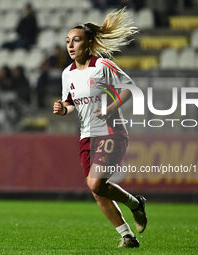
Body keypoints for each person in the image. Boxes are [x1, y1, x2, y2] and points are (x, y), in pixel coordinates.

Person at [52, 8, 147, 248]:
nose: (70, 45)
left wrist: (110, 109)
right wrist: (64, 109)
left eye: (76, 40)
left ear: (89, 43)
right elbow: (70, 103)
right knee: (97, 190)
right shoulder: (67, 74)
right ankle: (128, 235)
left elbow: (130, 88)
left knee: (95, 184)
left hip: (111, 131)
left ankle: (135, 204)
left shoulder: (102, 65)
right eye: (67, 41)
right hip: (86, 136)